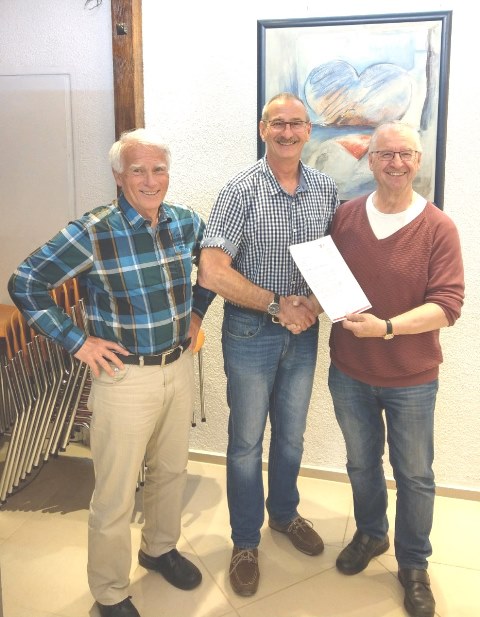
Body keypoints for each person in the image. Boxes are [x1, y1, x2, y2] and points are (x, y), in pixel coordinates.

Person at [8, 128, 215, 617]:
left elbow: (212, 270)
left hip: (176, 366)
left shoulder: (186, 221)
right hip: (125, 377)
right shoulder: (93, 231)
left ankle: (159, 549)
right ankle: (109, 592)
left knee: (171, 471)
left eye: (158, 169)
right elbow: (26, 281)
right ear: (119, 177)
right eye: (138, 170)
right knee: (116, 493)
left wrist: (197, 313)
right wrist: (77, 341)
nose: (150, 180)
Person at [198, 92, 339, 596]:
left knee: (292, 436)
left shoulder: (326, 188)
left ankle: (283, 513)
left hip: (304, 331)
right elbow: (212, 270)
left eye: (296, 124)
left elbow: (337, 261)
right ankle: (244, 541)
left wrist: (312, 306)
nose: (287, 132)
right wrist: (278, 305)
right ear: (263, 130)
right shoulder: (241, 190)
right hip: (250, 331)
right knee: (245, 444)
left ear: (309, 131)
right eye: (277, 123)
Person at [327, 122, 464, 617]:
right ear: (371, 161)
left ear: (418, 161)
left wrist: (386, 328)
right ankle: (371, 533)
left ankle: (413, 563)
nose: (396, 163)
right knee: (361, 463)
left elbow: (447, 306)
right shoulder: (345, 217)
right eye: (386, 154)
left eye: (406, 154)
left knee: (415, 474)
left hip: (411, 378)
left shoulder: (438, 227)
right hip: (350, 371)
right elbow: (329, 280)